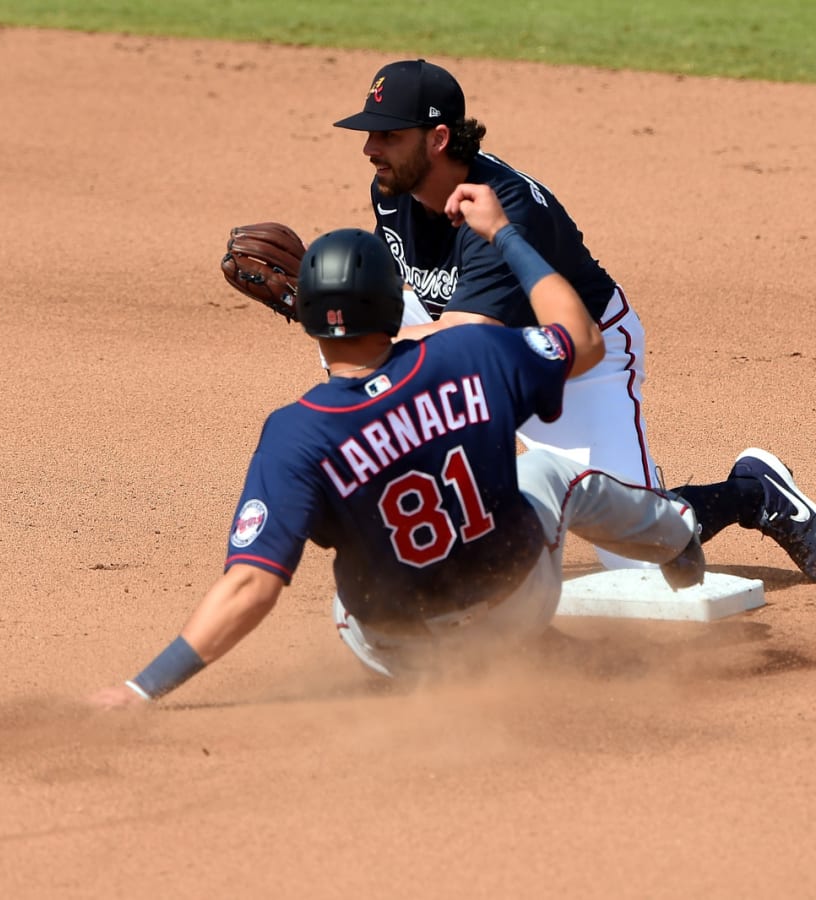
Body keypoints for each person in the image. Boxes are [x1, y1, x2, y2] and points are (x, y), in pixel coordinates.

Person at [89, 183, 705, 709]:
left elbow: (252, 586)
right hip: (518, 605)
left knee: (345, 583)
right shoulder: (470, 356)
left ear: (304, 318)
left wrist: (143, 689)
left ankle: (462, 672)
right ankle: (676, 537)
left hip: (399, 654)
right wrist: (506, 236)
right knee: (550, 470)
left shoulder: (295, 433)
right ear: (397, 305)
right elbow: (582, 339)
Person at [324, 58, 816, 578]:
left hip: (577, 363)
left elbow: (472, 335)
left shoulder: (505, 207)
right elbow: (409, 299)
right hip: (487, 354)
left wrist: (355, 332)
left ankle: (752, 491)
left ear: (438, 138)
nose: (369, 149)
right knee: (349, 328)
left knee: (638, 557)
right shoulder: (392, 191)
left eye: (388, 135)